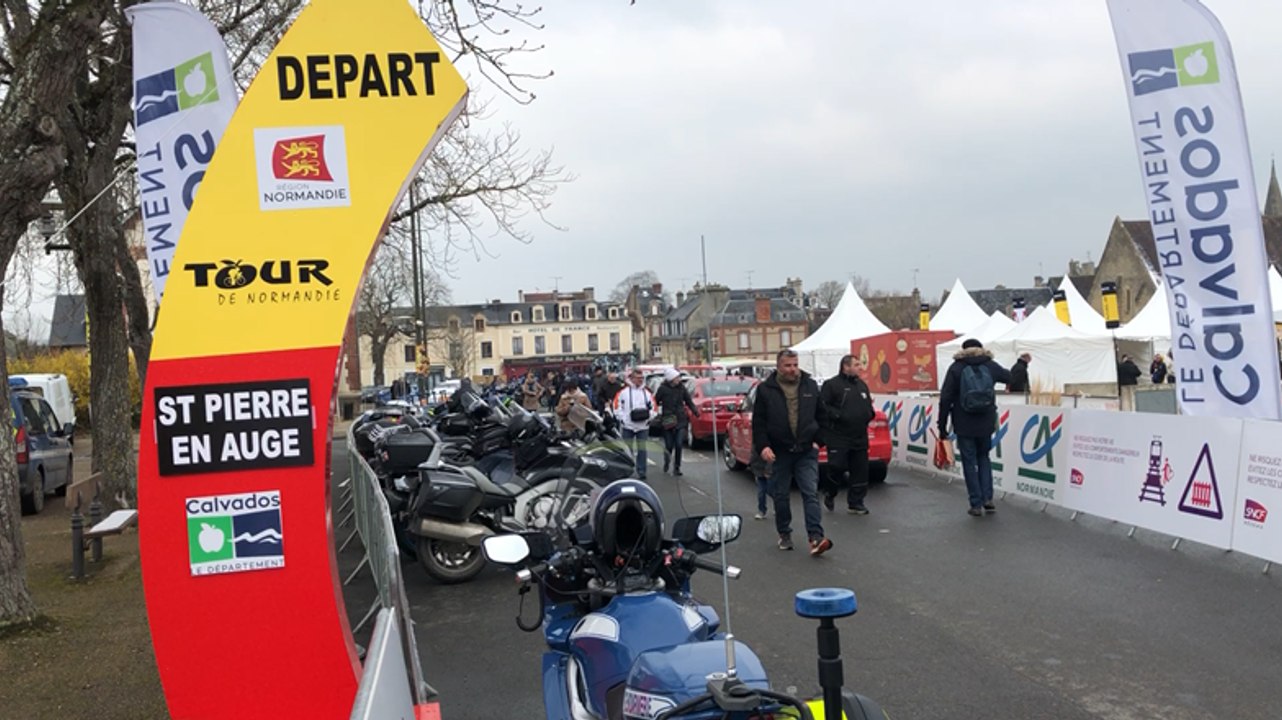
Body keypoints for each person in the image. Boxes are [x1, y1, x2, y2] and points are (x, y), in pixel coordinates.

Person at [752, 349, 832, 556]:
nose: (792, 369)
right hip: (779, 451)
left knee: (810, 493)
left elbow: (822, 416)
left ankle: (816, 537)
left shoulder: (810, 386)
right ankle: (784, 533)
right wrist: (764, 446)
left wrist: (819, 440)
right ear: (778, 366)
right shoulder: (766, 389)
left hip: (806, 450)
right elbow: (759, 423)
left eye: (795, 365)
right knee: (781, 495)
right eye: (787, 365)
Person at [938, 338, 1012, 517]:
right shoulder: (990, 365)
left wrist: (942, 425)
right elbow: (1010, 377)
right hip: (986, 421)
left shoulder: (957, 367)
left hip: (964, 422)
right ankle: (988, 498)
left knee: (969, 462)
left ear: (963, 350)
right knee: (984, 457)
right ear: (981, 349)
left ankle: (976, 504)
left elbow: (945, 398)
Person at [819, 355, 874, 515]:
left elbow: (868, 405)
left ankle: (856, 502)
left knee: (860, 470)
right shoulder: (832, 385)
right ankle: (830, 492)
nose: (860, 367)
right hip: (838, 436)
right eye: (856, 364)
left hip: (859, 436)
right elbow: (823, 406)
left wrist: (869, 414)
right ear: (846, 366)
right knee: (836, 467)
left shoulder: (861, 385)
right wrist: (838, 416)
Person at [612, 368, 656, 480]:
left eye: (642, 378)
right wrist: (622, 419)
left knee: (642, 449)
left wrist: (649, 417)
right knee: (627, 449)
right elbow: (616, 406)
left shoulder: (647, 393)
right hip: (628, 425)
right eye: (638, 378)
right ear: (631, 378)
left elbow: (654, 407)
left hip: (643, 426)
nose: (640, 380)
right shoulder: (623, 393)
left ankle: (642, 471)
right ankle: (627, 471)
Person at [654, 368, 700, 476]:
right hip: (668, 419)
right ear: (671, 379)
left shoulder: (681, 388)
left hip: (680, 419)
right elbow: (655, 401)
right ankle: (667, 460)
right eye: (677, 378)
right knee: (669, 445)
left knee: (679, 444)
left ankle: (677, 467)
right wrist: (655, 412)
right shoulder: (662, 389)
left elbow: (688, 401)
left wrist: (695, 412)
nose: (679, 379)